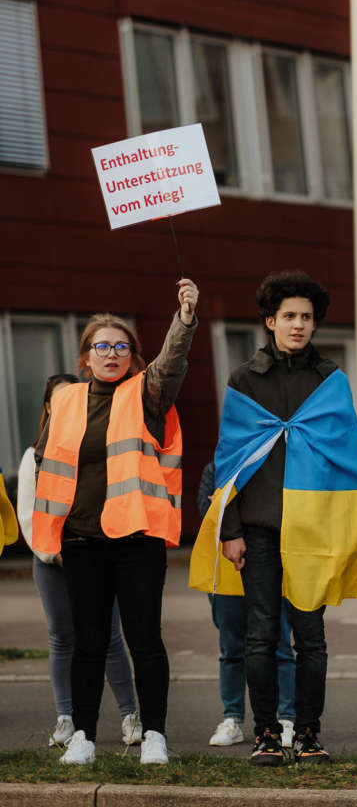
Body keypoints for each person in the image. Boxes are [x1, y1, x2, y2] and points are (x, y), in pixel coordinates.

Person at [194, 269, 357, 767]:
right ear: (270, 321)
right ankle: (266, 732)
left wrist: (343, 531)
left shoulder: (330, 380)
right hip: (260, 530)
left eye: (307, 317)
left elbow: (347, 459)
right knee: (261, 634)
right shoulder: (244, 380)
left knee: (311, 636)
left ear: (316, 325)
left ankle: (310, 732)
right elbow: (230, 460)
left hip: (314, 529)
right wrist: (229, 531)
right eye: (289, 316)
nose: (298, 325)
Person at [32, 278, 199, 766]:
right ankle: (82, 735)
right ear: (85, 357)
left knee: (144, 640)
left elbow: (170, 365)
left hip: (136, 539)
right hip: (81, 540)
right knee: (87, 642)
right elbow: (46, 461)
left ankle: (154, 735)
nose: (111, 353)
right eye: (101, 346)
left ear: (132, 356)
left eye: (120, 346)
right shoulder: (64, 399)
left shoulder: (146, 394)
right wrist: (54, 531)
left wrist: (184, 318)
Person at [17, 374, 141, 749]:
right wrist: (50, 551)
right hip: (51, 560)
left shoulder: (99, 448)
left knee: (110, 638)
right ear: (49, 408)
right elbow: (28, 511)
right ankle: (66, 718)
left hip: (96, 554)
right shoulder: (32, 455)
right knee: (62, 638)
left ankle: (129, 716)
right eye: (60, 400)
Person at [196, 460, 296, 749]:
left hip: (273, 569)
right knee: (232, 649)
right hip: (228, 574)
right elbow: (207, 511)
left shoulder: (271, 462)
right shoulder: (216, 467)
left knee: (280, 645)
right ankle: (232, 718)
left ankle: (286, 718)